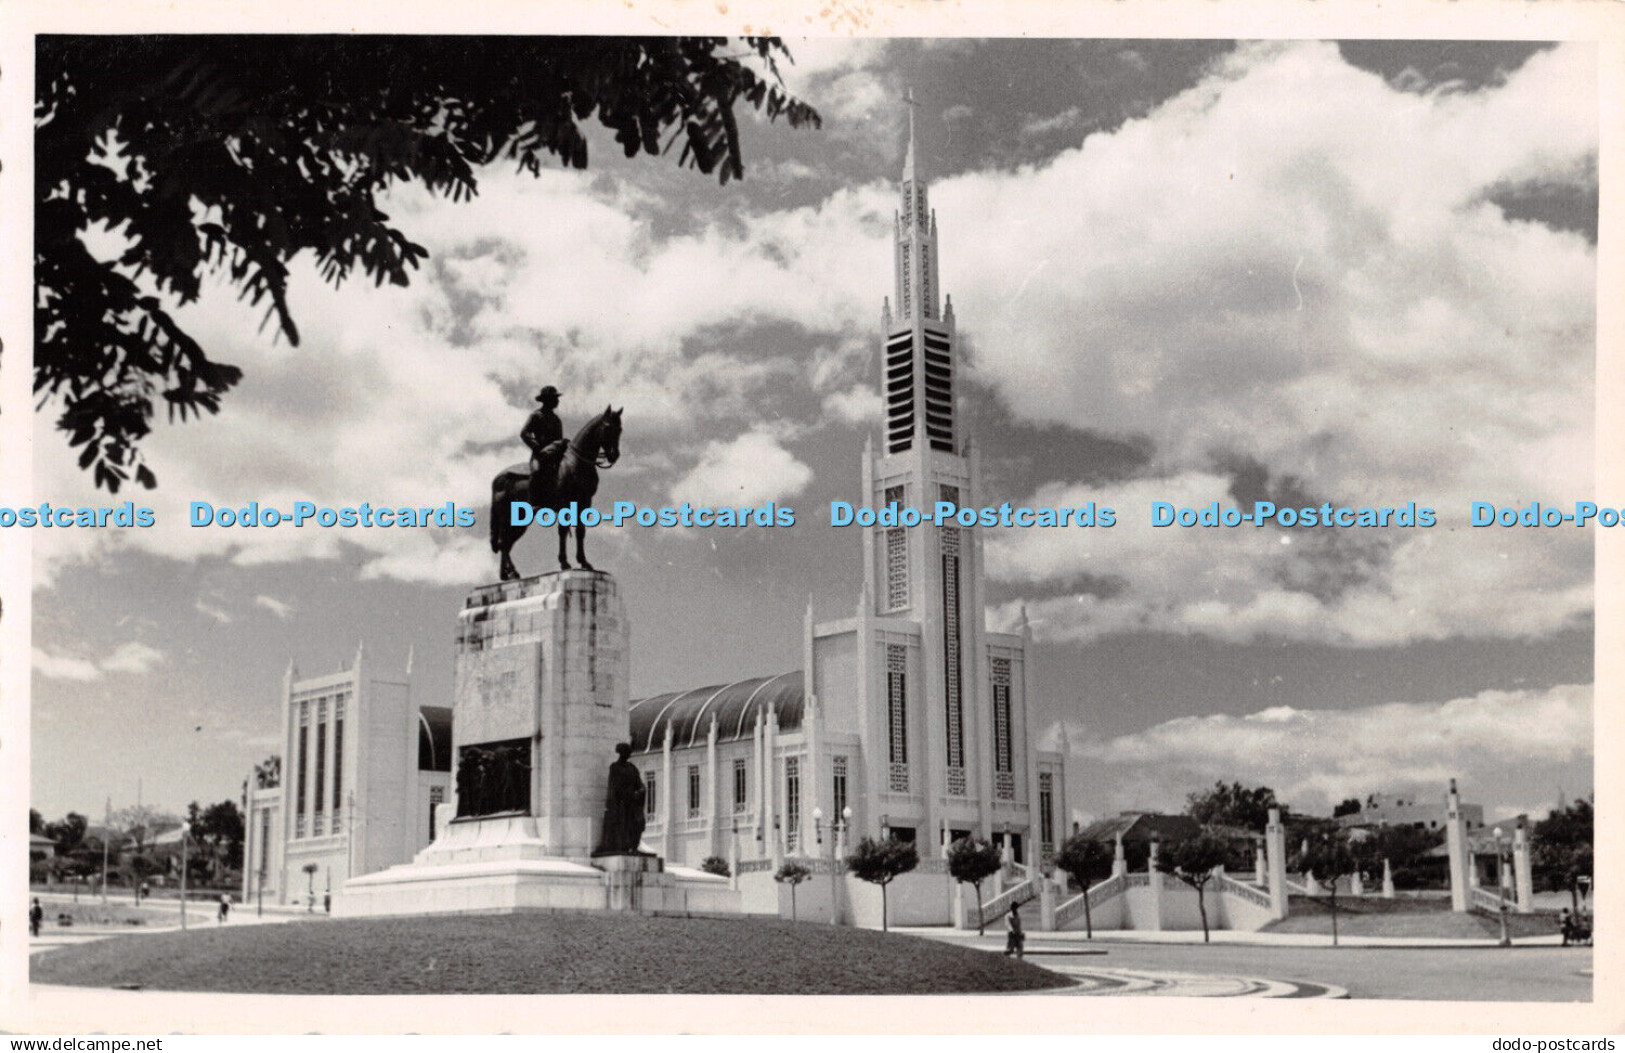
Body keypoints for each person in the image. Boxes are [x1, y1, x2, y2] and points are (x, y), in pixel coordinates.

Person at [593, 742, 647, 855]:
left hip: (633, 802)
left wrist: (640, 791)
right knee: (623, 822)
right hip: (621, 803)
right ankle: (625, 846)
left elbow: (640, 784)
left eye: (629, 753)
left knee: (639, 822)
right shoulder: (615, 767)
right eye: (626, 752)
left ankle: (634, 846)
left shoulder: (632, 768)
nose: (628, 755)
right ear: (621, 753)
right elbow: (613, 787)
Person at [522, 385, 567, 500]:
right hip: (539, 455)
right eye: (554, 398)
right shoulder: (536, 416)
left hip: (555, 456)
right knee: (537, 472)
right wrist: (537, 447)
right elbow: (524, 433)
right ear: (547, 400)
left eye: (557, 398)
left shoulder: (557, 420)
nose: (557, 401)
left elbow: (559, 439)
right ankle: (532, 502)